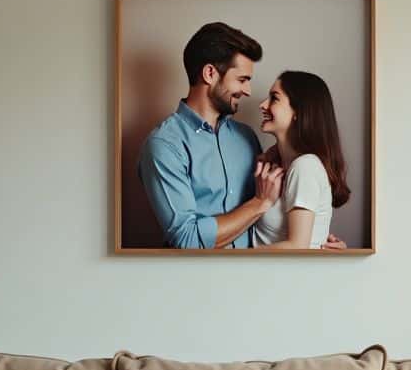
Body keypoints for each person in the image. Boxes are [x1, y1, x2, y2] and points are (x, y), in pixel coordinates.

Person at [137, 22, 343, 249]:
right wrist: (259, 203)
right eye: (242, 80)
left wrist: (318, 241)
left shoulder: (247, 138)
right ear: (210, 74)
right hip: (198, 281)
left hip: (257, 280)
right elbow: (187, 241)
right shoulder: (165, 145)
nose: (248, 91)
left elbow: (291, 209)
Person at [251, 71, 351, 249]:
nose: (262, 105)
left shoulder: (305, 167)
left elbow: (297, 246)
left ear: (298, 111)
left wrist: (236, 259)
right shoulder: (282, 165)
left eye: (274, 98)